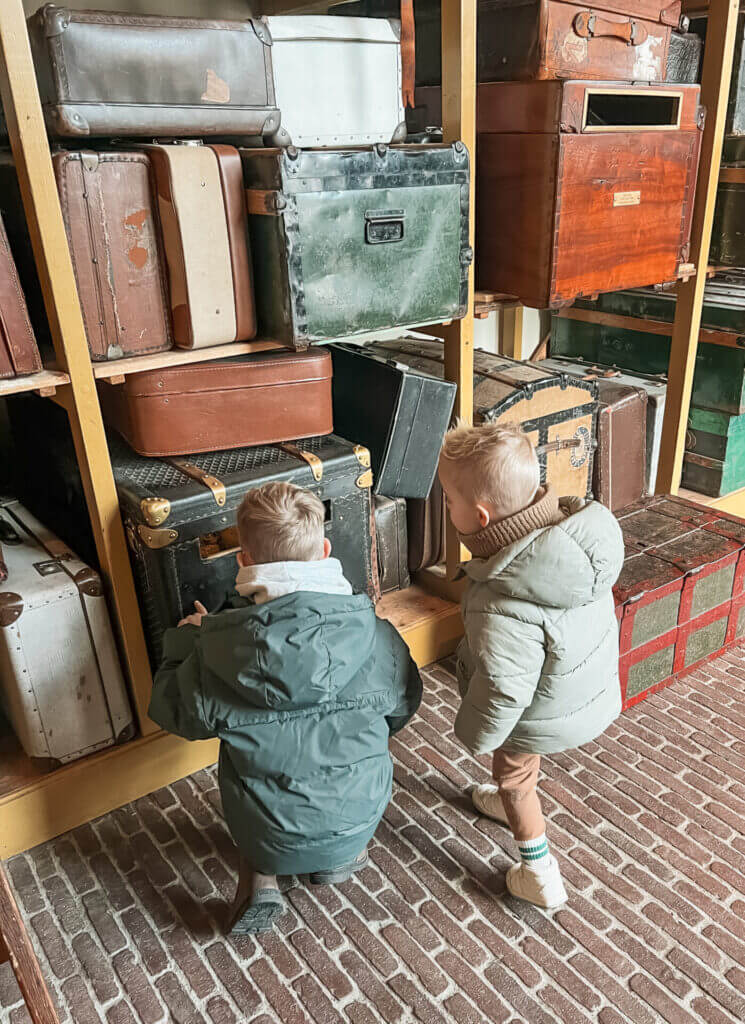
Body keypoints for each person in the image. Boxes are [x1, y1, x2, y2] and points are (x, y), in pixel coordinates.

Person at [149, 481, 422, 933]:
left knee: (244, 757)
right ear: (325, 551)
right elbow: (404, 706)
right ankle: (337, 858)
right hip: (361, 819)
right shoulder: (379, 635)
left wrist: (190, 637)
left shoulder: (217, 649)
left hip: (268, 834)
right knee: (346, 749)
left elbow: (172, 711)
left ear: (243, 562)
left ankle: (261, 878)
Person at [438, 421, 624, 909]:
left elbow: (502, 688)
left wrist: (475, 734)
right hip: (581, 686)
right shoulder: (570, 542)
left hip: (540, 707)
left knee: (514, 774)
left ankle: (539, 873)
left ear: (480, 518)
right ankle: (506, 803)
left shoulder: (500, 598)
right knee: (520, 763)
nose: (444, 507)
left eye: (447, 500)